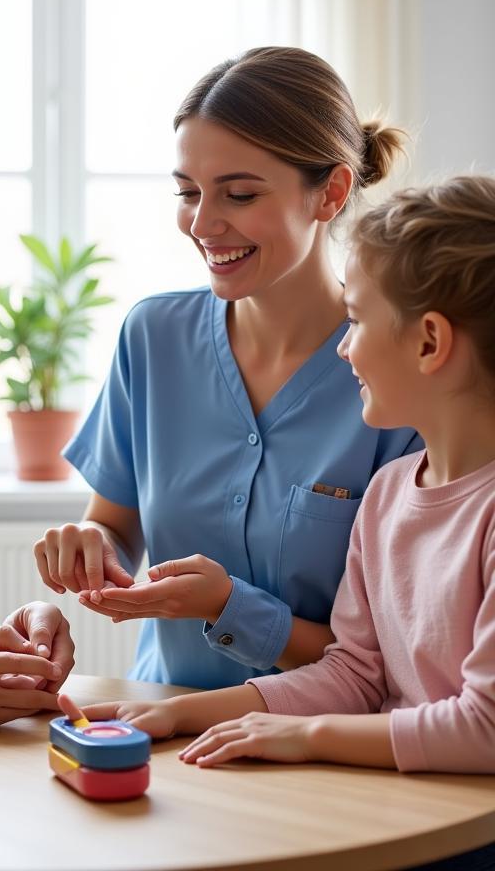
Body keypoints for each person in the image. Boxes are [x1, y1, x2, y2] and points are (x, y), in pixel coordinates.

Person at [72, 175, 495, 867]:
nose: (342, 348)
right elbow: (356, 673)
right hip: (396, 809)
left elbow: (485, 728)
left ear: (428, 343)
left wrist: (305, 736)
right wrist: (182, 715)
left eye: (356, 320)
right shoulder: (388, 492)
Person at [33, 47, 421, 690]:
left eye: (239, 194)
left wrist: (229, 607)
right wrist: (94, 544)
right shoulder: (152, 338)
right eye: (188, 192)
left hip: (324, 752)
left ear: (331, 192)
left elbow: (394, 662)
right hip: (160, 727)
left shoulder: (397, 376)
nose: (203, 224)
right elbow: (116, 523)